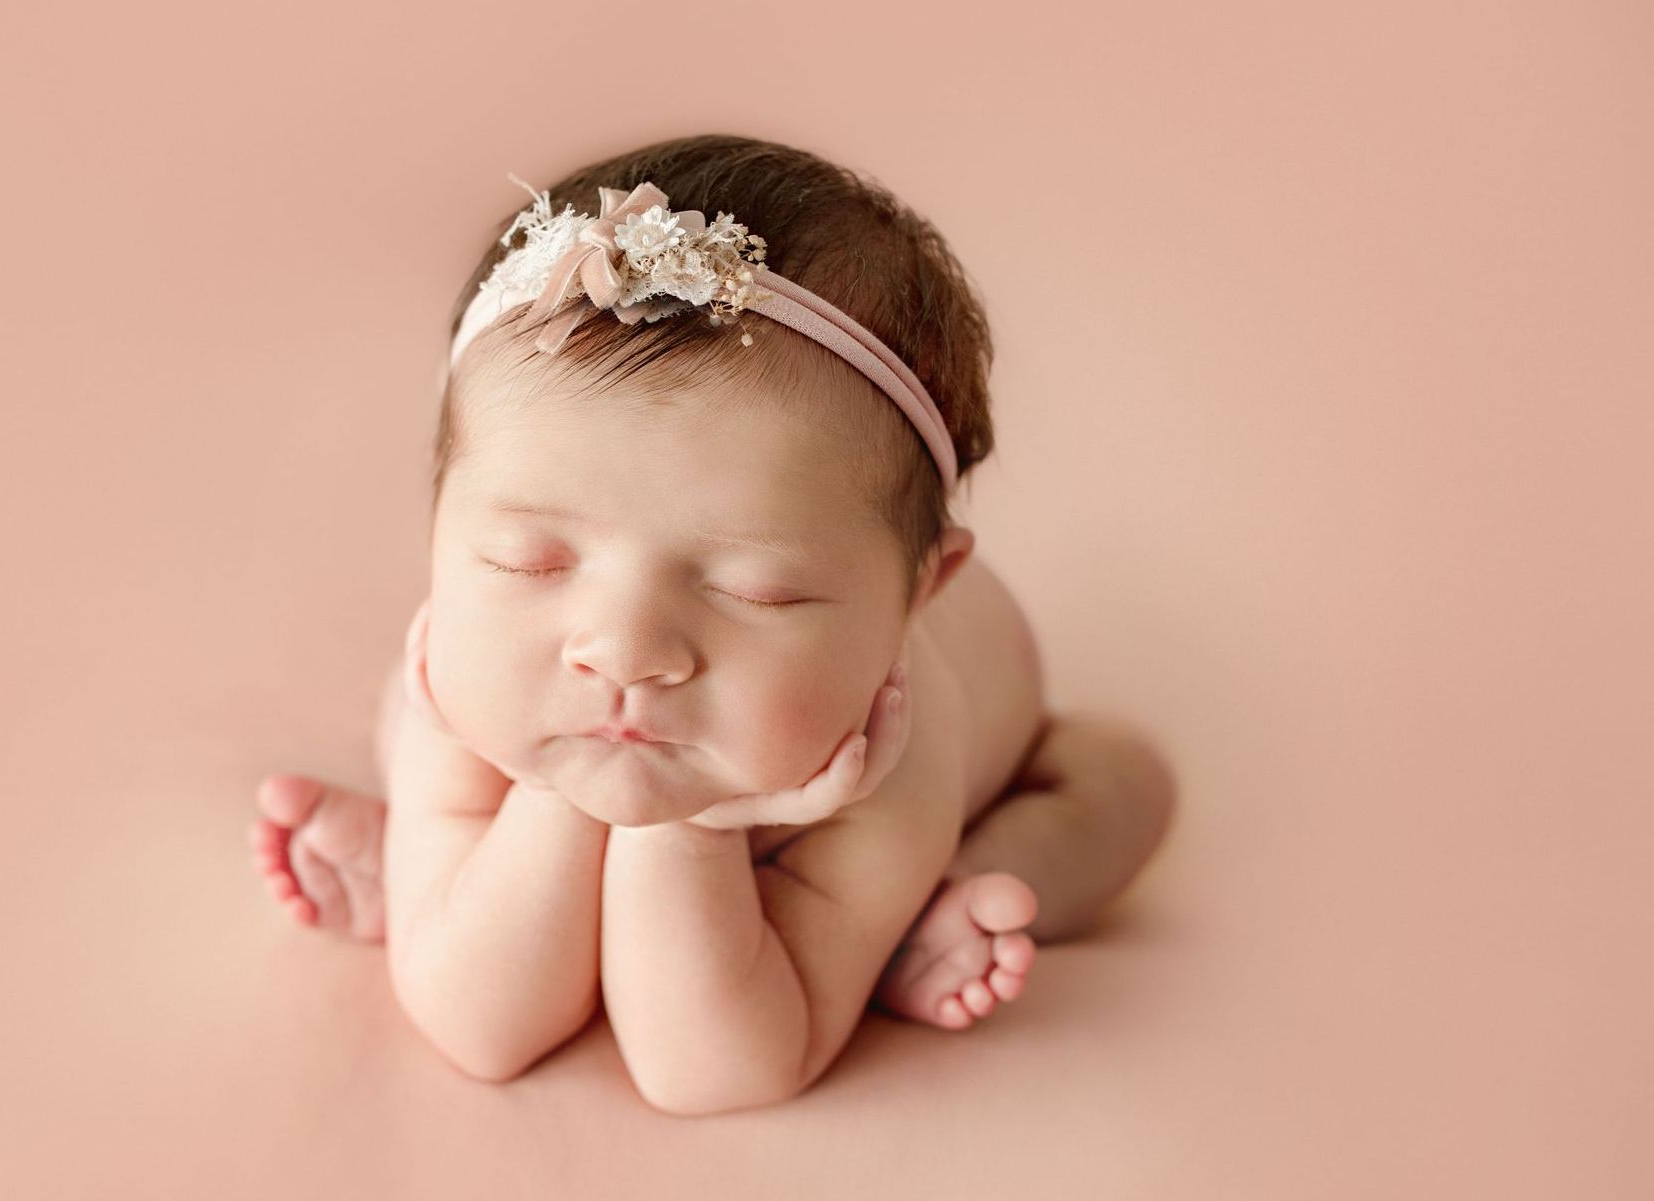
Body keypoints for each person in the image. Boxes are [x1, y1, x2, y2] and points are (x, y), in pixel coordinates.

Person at [247, 134, 1177, 1114]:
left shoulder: (892, 758)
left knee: (1126, 786)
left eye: (757, 591)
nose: (623, 650)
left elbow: (708, 1069)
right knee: (422, 735)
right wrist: (557, 790)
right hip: (524, 731)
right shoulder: (468, 674)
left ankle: (928, 911)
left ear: (916, 598)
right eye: (530, 562)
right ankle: (447, 872)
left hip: (976, 769)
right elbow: (483, 1033)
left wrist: (683, 827)